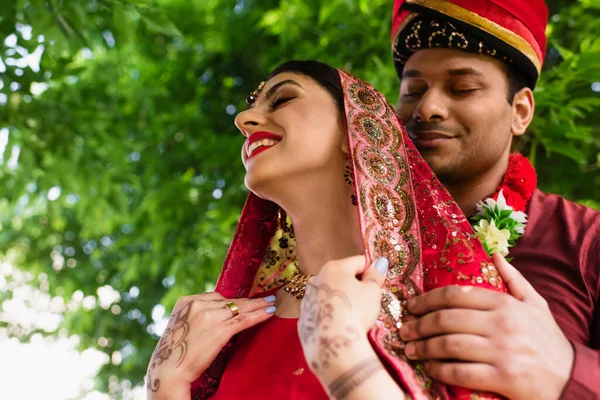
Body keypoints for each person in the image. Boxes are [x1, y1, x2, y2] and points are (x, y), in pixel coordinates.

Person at [144, 61, 518, 400]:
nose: (245, 119)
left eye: (283, 99)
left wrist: (343, 360)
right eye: (252, 106)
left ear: (354, 127)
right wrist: (167, 387)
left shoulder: (443, 299)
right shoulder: (230, 329)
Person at [389, 1, 600, 399]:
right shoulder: (355, 233)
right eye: (413, 90)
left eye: (462, 87)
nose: (427, 108)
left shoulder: (586, 242)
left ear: (520, 112)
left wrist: (567, 369)